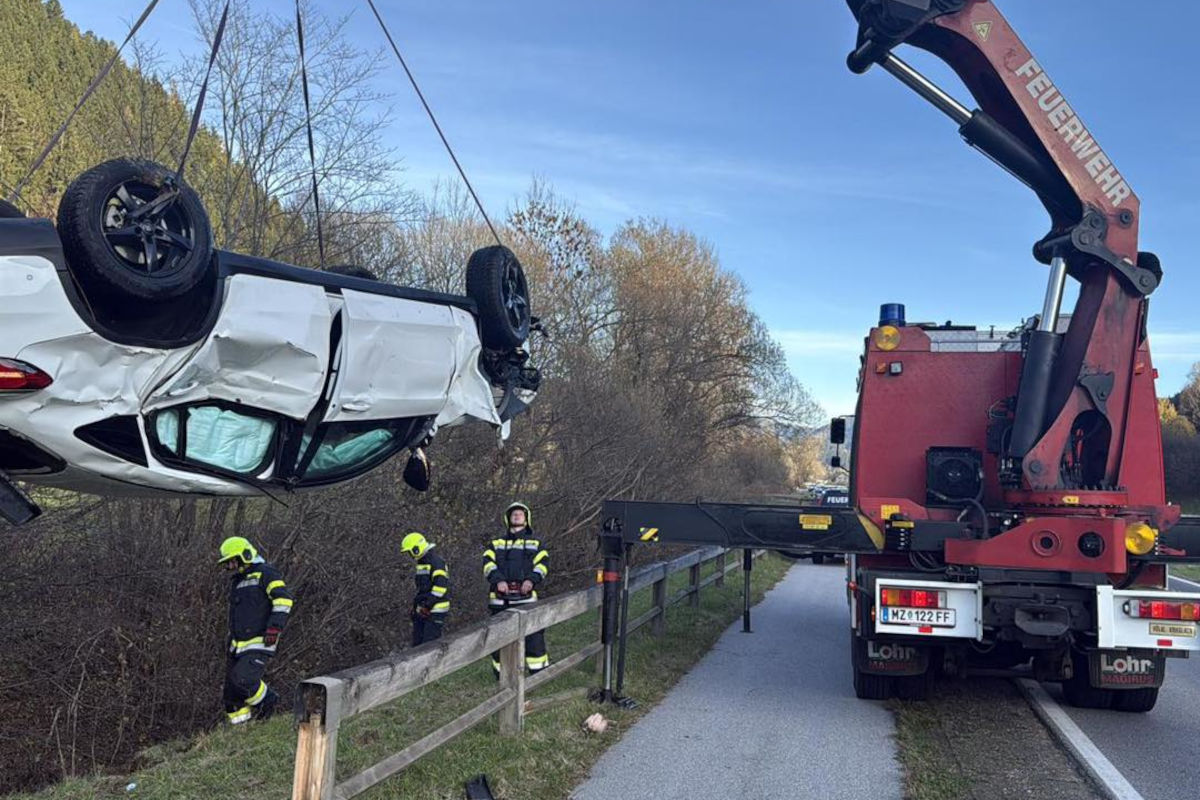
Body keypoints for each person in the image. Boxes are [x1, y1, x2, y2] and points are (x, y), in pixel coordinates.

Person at [217, 536, 293, 725]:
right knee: (231, 696)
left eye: (233, 561)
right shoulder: (237, 582)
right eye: (228, 563)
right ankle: (243, 730)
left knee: (243, 680)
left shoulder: (266, 573)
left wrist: (274, 628)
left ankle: (268, 701)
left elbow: (283, 600)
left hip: (261, 640)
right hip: (237, 645)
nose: (231, 566)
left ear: (245, 555)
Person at [483, 501, 549, 675]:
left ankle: (539, 673)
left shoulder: (535, 543)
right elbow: (488, 564)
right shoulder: (496, 543)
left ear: (527, 519)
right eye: (513, 513)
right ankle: (502, 673)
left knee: (533, 637)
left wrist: (531, 581)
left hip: (526, 599)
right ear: (507, 518)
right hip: (500, 600)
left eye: (520, 513)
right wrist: (498, 581)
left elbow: (542, 565)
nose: (517, 515)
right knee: (498, 638)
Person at [401, 531, 450, 645]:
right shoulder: (422, 563)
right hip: (425, 608)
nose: (410, 555)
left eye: (410, 552)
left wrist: (427, 605)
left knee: (429, 645)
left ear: (416, 549)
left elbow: (440, 588)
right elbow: (422, 589)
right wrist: (416, 607)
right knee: (418, 643)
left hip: (436, 609)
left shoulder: (436, 562)